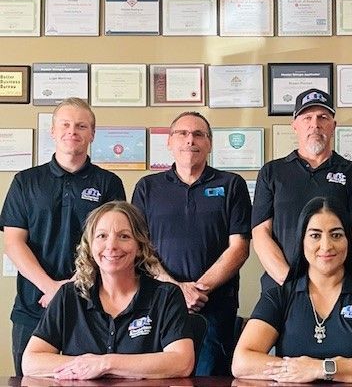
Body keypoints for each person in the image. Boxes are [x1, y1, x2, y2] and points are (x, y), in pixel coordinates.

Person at [0, 97, 126, 376]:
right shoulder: (25, 181)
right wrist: (51, 288)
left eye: (81, 126)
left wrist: (72, 286)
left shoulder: (109, 184)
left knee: (88, 379)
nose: (73, 131)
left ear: (92, 134)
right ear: (53, 131)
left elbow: (113, 247)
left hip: (91, 308)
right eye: (66, 125)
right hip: (32, 307)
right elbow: (13, 242)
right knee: (30, 379)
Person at [232, 196, 352, 383]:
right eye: (315, 235)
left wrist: (321, 368)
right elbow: (241, 362)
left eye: (336, 235)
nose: (326, 246)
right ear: (302, 241)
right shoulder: (278, 297)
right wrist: (295, 370)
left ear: (348, 241)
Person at [132, 111, 251, 376]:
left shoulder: (231, 185)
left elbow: (240, 247)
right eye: (182, 134)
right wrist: (176, 290)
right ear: (169, 142)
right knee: (158, 377)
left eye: (199, 134)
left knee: (210, 377)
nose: (190, 140)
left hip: (214, 307)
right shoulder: (147, 188)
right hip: (158, 303)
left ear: (209, 143)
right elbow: (138, 247)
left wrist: (198, 290)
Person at [21, 201, 194, 379]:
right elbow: (31, 362)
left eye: (124, 236)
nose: (111, 246)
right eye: (102, 236)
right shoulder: (69, 295)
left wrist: (104, 364)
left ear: (140, 245)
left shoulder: (166, 296)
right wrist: (88, 366)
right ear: (89, 245)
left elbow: (182, 362)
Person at [252, 88, 352, 290]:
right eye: (307, 118)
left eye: (322, 117)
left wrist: (322, 280)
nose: (315, 125)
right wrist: (291, 282)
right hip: (280, 287)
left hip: (335, 287)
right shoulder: (271, 172)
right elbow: (261, 234)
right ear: (295, 126)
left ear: (333, 126)